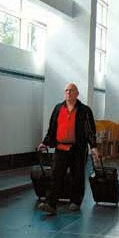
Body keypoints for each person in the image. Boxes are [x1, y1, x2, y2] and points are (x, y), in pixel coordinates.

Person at [37, 82, 99, 215]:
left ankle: (76, 201)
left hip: (77, 149)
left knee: (77, 176)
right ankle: (50, 203)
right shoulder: (58, 108)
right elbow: (52, 128)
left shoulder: (84, 110)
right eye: (66, 90)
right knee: (55, 175)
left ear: (77, 93)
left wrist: (93, 147)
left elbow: (90, 131)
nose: (68, 93)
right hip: (60, 148)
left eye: (71, 90)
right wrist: (45, 143)